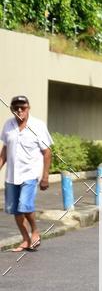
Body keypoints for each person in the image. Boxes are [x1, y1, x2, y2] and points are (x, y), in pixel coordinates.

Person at [0, 95, 52, 252]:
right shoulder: (8, 125)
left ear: (28, 108)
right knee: (15, 209)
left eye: (22, 107)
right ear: (11, 109)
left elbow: (47, 152)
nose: (19, 110)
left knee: (24, 205)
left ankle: (35, 231)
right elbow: (5, 150)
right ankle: (25, 239)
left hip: (30, 174)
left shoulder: (38, 125)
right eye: (16, 107)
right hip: (11, 176)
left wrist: (45, 177)